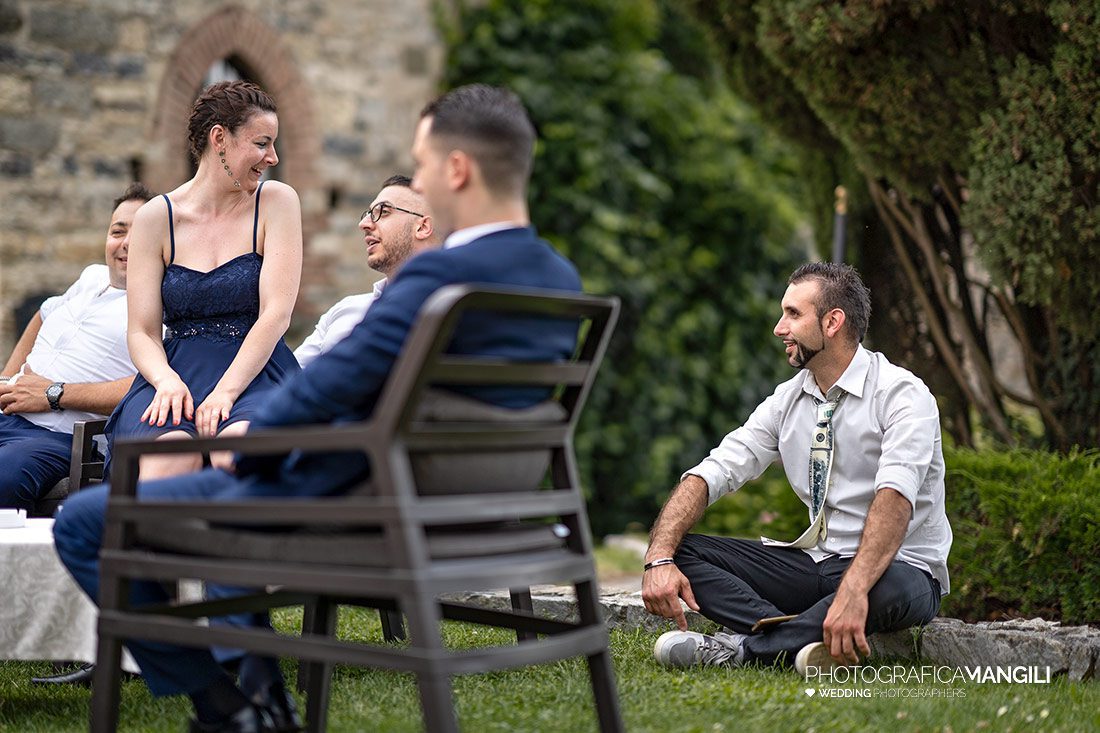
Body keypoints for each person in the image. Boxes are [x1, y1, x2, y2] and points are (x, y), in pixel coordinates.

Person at [55, 83, 581, 733]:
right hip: (487, 502)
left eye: (420, 166)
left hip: (367, 502)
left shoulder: (431, 280)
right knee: (215, 491)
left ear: (457, 170)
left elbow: (326, 385)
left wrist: (252, 439)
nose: (417, 181)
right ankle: (259, 701)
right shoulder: (559, 278)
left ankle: (227, 705)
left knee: (84, 521)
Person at [643, 263, 951, 675]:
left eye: (792, 314)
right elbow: (715, 470)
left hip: (899, 570)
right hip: (815, 566)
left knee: (893, 583)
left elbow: (895, 498)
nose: (779, 328)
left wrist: (855, 589)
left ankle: (746, 649)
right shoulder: (787, 400)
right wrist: (658, 559)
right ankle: (795, 635)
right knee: (678, 548)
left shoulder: (902, 396)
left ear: (832, 322)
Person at [104, 80, 302, 480]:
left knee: (238, 453)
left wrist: (227, 392)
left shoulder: (276, 202)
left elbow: (276, 314)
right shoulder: (155, 218)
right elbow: (142, 330)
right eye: (262, 143)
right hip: (175, 373)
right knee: (171, 459)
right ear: (219, 139)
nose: (273, 158)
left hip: (256, 372)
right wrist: (165, 382)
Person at [0, 183, 154, 510]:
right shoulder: (92, 277)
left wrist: (53, 393)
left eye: (141, 233)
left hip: (59, 438)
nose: (126, 243)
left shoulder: (162, 304)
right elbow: (44, 313)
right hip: (7, 414)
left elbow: (148, 386)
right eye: (118, 231)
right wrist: (6, 378)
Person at [293, 174, 440, 367]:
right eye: (368, 214)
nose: (363, 224)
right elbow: (288, 376)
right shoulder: (345, 308)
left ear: (422, 227)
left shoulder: (443, 306)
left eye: (383, 212)